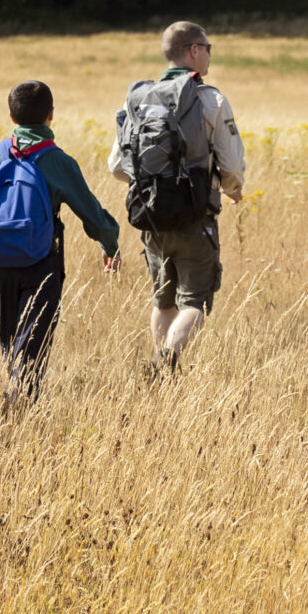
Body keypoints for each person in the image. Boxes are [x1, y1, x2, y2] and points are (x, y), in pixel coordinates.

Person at [0, 80, 121, 404]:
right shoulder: (58, 162)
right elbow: (92, 214)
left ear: (11, 117)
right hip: (42, 263)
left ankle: (17, 404)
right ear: (51, 115)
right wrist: (110, 245)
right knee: (32, 348)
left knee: (13, 342)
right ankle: (18, 411)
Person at [110, 20, 245, 371]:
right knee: (195, 302)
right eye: (208, 48)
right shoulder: (211, 99)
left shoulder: (140, 100)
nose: (210, 56)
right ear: (194, 50)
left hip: (151, 218)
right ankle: (164, 361)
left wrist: (156, 184)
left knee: (163, 299)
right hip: (195, 217)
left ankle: (163, 374)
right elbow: (230, 162)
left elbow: (116, 166)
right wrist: (233, 188)